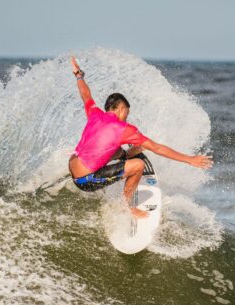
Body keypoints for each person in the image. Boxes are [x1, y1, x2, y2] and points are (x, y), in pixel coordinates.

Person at [68, 56, 212, 218]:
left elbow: (85, 94)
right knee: (138, 164)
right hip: (85, 181)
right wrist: (189, 159)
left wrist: (78, 74)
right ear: (121, 109)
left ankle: (126, 156)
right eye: (127, 113)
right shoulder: (124, 129)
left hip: (73, 168)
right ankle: (127, 206)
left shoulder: (94, 113)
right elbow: (157, 148)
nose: (127, 118)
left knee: (115, 149)